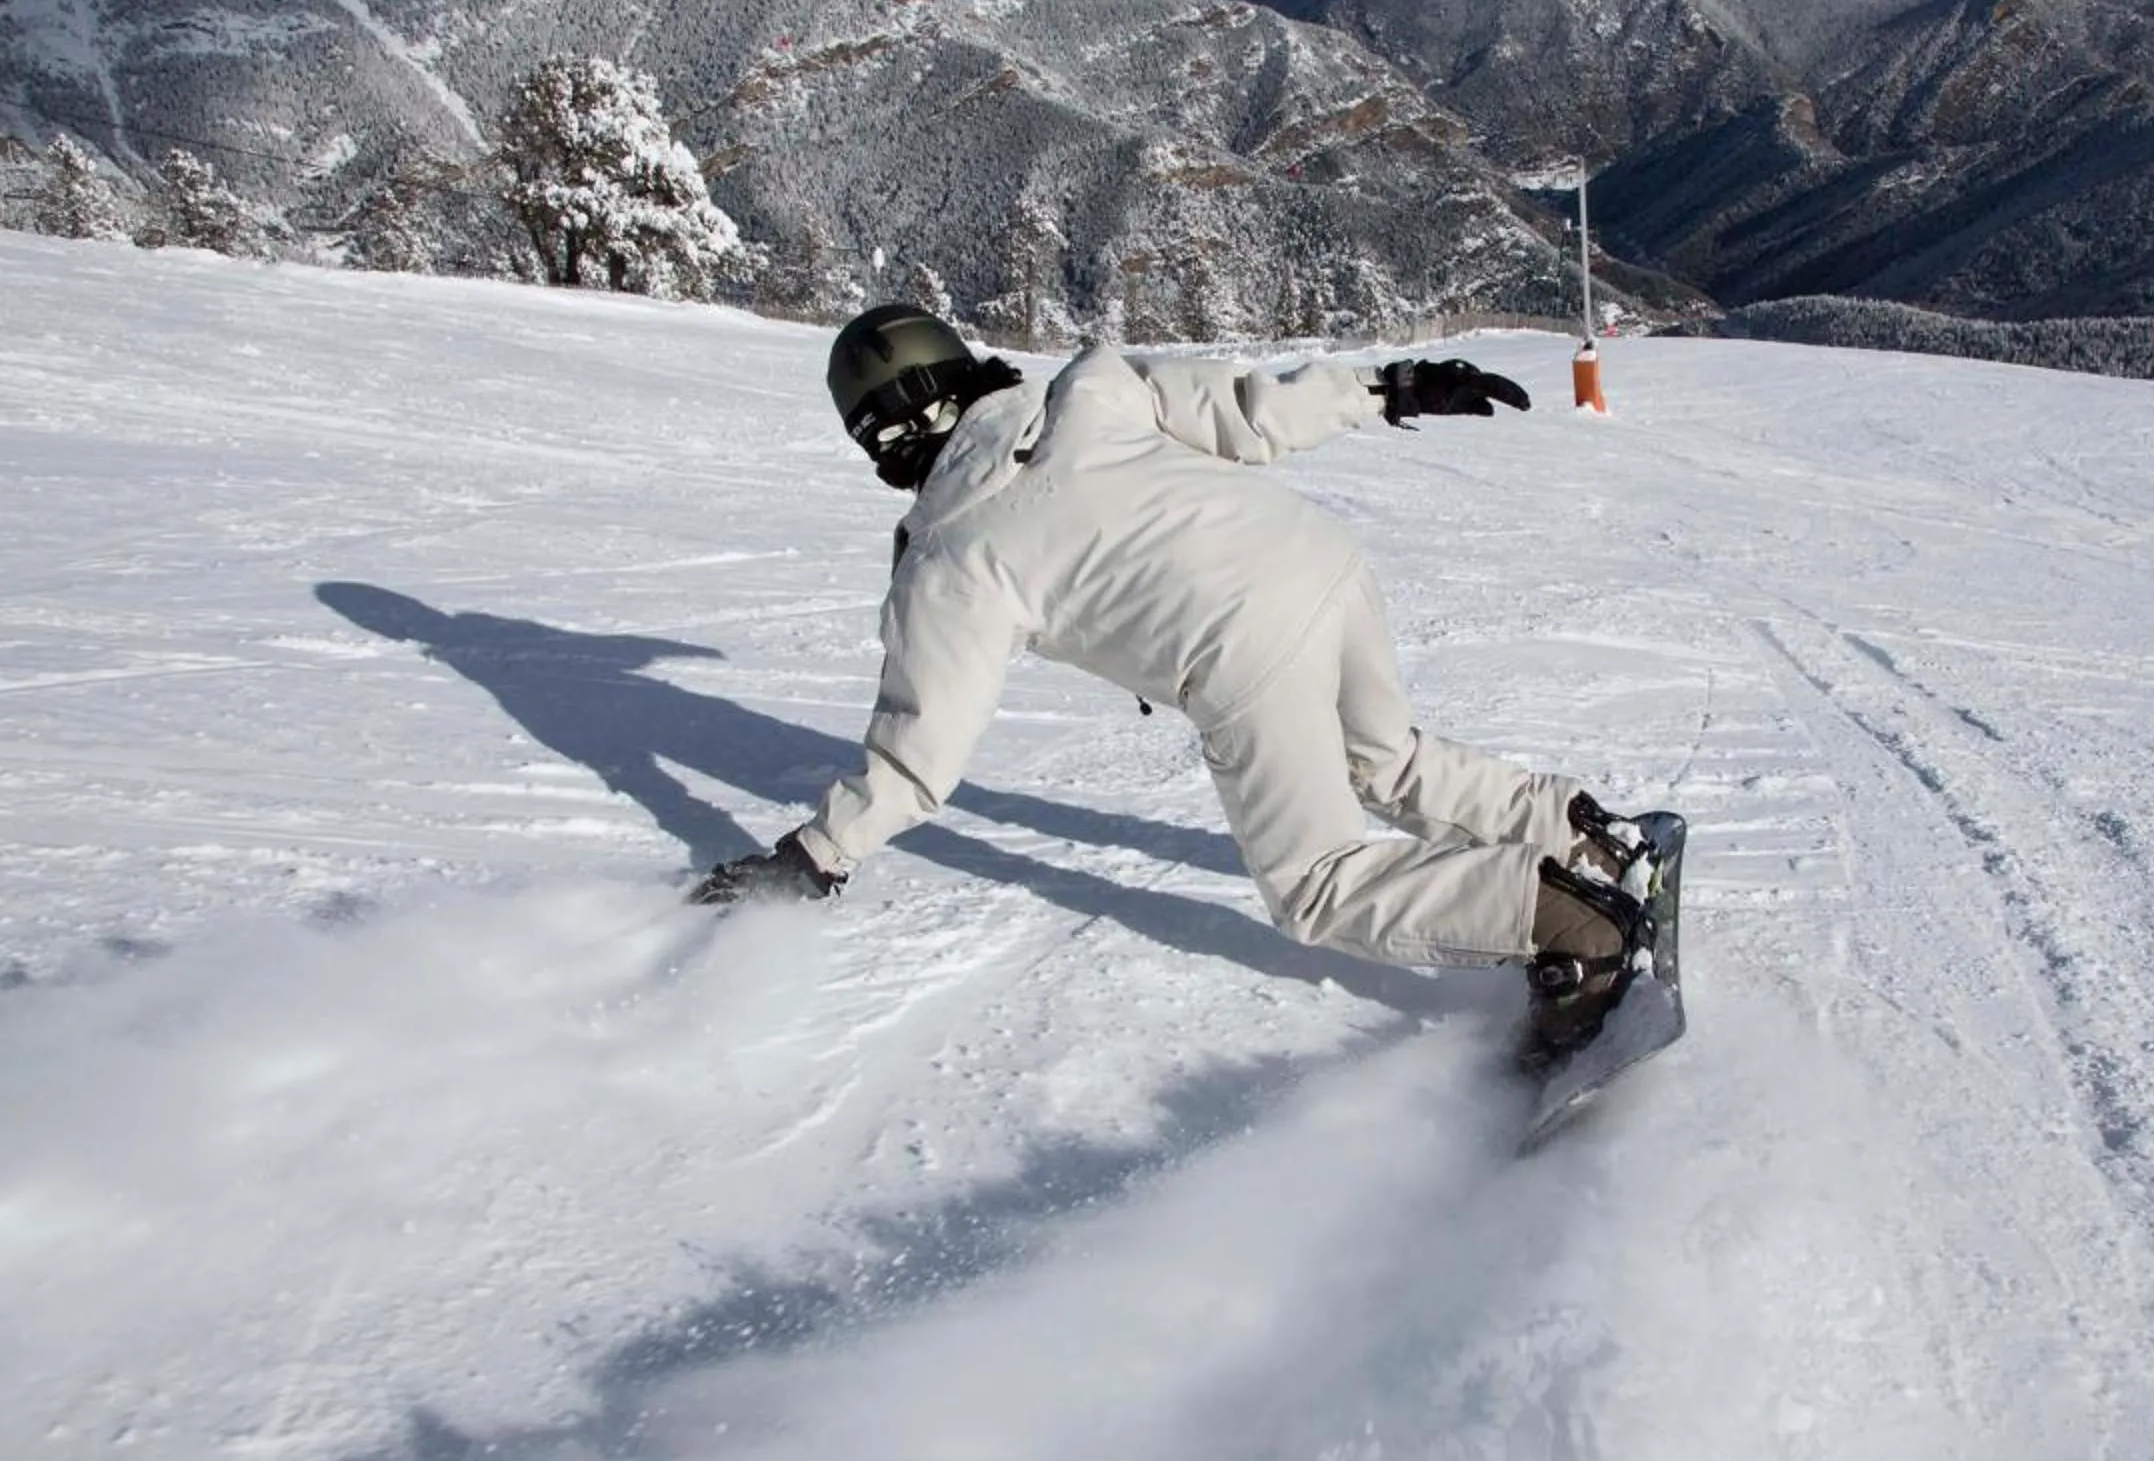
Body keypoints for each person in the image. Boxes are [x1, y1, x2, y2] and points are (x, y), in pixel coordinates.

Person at [694, 303, 1666, 1059]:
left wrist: (820, 852)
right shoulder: (1084, 392)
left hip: (1242, 639)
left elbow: (920, 751)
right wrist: (1395, 386)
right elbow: (1253, 410)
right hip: (1322, 558)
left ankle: (1569, 922)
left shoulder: (951, 557)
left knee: (1319, 885)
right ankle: (1593, 838)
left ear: (887, 436)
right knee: (1383, 757)